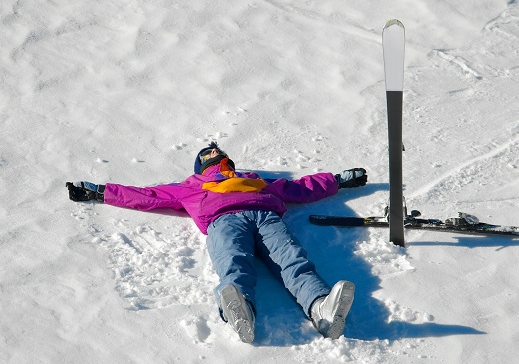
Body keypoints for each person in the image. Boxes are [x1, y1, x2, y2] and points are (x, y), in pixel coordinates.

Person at [66, 142, 367, 343]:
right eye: (212, 160)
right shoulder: (189, 186)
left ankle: (321, 308)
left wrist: (337, 180)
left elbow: (300, 187)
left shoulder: (254, 178)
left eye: (219, 159)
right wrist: (100, 191)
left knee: (288, 260)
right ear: (202, 167)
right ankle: (241, 310)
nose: (217, 164)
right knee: (241, 263)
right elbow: (148, 196)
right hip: (225, 221)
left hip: (264, 217)